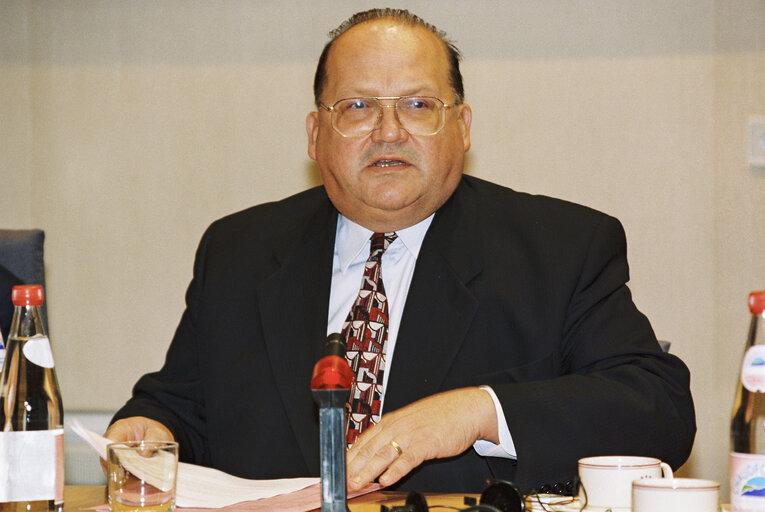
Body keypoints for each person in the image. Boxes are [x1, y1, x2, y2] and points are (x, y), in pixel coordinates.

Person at [106, 8, 695, 494]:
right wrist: (146, 430)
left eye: (417, 105)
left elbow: (659, 410)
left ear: (462, 128)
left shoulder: (559, 246)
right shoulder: (239, 251)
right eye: (357, 107)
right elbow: (179, 408)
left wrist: (477, 412)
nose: (388, 131)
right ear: (315, 136)